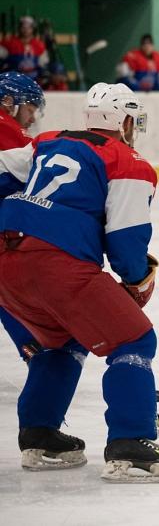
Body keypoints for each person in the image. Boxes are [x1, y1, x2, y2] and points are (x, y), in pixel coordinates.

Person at [0, 82, 159, 481]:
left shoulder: (47, 142)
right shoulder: (128, 161)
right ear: (125, 120)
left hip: (5, 260)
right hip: (57, 262)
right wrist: (135, 281)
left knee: (62, 340)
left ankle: (41, 435)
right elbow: (125, 238)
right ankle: (130, 444)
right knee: (134, 339)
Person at [0, 73, 44, 361]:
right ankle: (37, 352)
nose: (30, 117)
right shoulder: (5, 127)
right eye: (29, 108)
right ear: (9, 102)